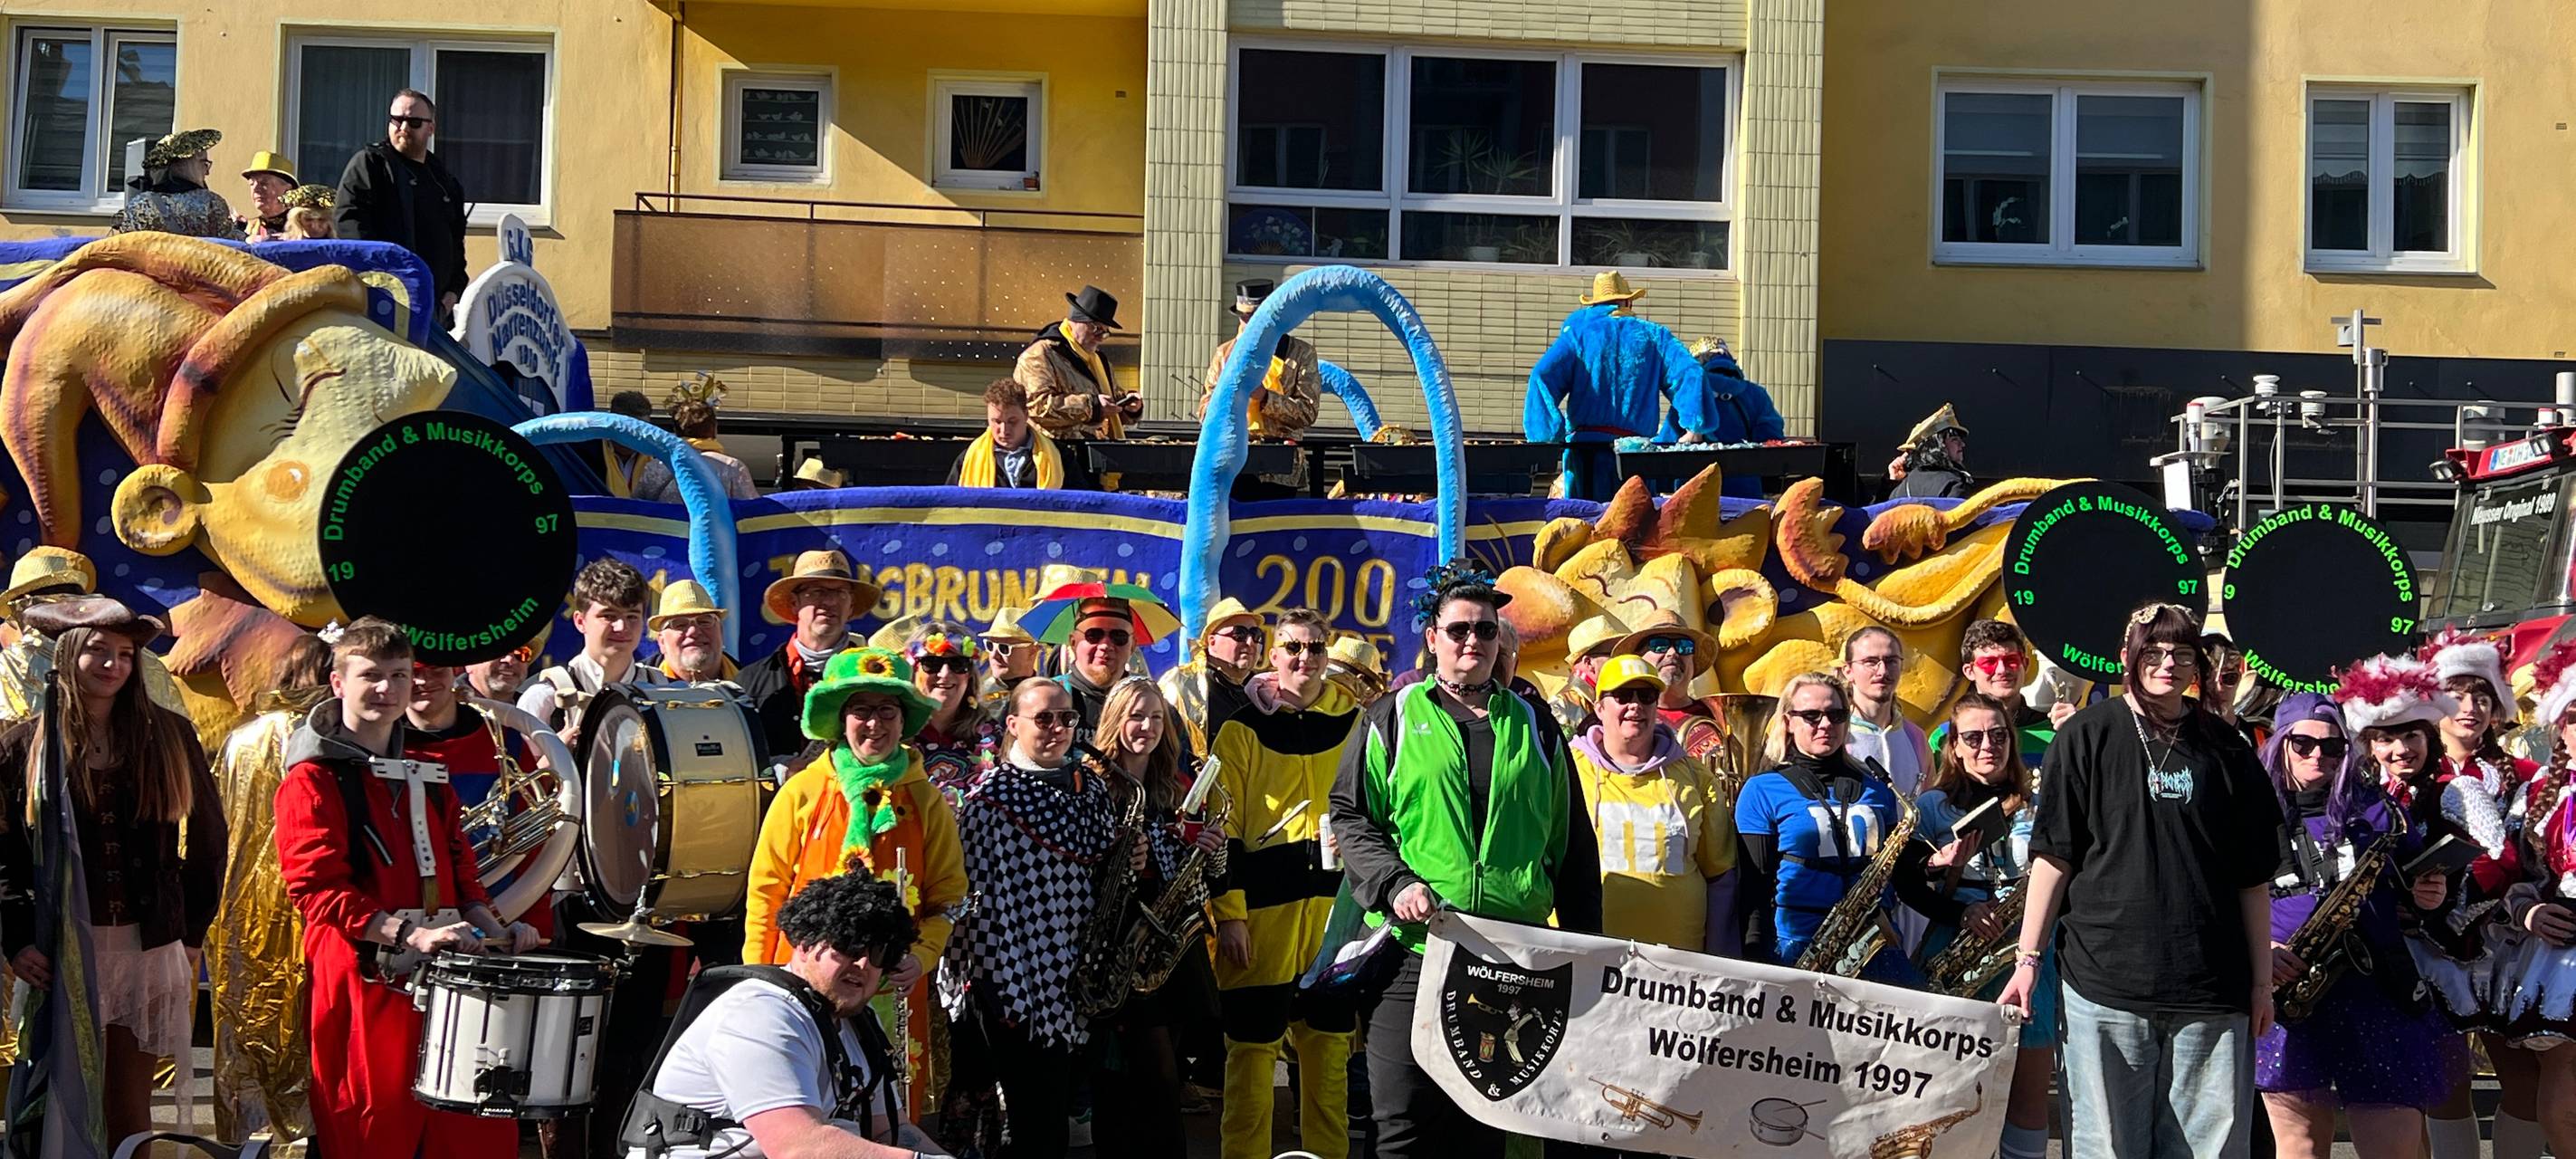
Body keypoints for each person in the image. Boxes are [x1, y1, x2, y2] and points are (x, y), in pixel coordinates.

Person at [1328, 562, 1600, 1159]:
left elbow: (1572, 846)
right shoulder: (1390, 719)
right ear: (1433, 639)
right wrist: (1395, 881)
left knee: (1480, 1128)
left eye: (1485, 630)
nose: (1471, 641)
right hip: (1413, 951)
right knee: (1399, 1127)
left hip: (1509, 957)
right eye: (1457, 630)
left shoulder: (1536, 727)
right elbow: (1350, 816)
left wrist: (1586, 951)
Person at [2001, 602, 2283, 1157]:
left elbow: (2253, 878)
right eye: (2152, 652)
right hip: (2104, 982)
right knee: (2107, 1146)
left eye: (2181, 653)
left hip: (2212, 986)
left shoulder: (2227, 748)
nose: (2167, 664)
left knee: (2211, 1148)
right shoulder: (2084, 736)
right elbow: (2053, 858)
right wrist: (2028, 959)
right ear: (2125, 657)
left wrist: (2260, 984)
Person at [273, 618, 539, 1158]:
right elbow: (315, 887)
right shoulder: (311, 779)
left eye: (398, 675)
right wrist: (405, 935)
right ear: (337, 683)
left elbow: (463, 877)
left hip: (443, 973)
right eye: (371, 675)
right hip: (361, 976)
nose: (387, 690)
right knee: (374, 1129)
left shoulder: (427, 771)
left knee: (471, 1128)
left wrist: (496, 930)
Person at [0, 598, 225, 1146]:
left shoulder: (167, 735)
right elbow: (4, 853)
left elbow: (210, 841)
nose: (113, 665)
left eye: (124, 654)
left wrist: (192, 932)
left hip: (146, 950)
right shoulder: (23, 745)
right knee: (56, 1105)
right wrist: (16, 940)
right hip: (59, 953)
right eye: (98, 651)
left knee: (128, 1108)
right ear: (68, 655)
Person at [742, 647, 967, 1119]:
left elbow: (948, 899)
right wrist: (757, 980)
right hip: (803, 988)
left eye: (887, 711)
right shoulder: (802, 792)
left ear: (904, 720)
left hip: (893, 992)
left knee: (888, 1118)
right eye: (861, 710)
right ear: (840, 720)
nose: (875, 724)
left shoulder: (926, 801)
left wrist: (922, 957)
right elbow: (766, 893)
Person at [2255, 691, 2454, 1159]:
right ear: (2280, 741)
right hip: (2290, 995)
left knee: (2393, 1147)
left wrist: (2430, 893)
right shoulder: (2247, 811)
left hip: (2376, 991)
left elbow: (2419, 876)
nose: (2317, 755)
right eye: (2303, 743)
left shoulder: (2378, 809)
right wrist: (2260, 945)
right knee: (2299, 1146)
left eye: (2333, 746)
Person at [942, 678, 1135, 1159]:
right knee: (1037, 1125)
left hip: (1085, 976)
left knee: (1076, 1115)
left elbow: (1104, 870)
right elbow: (977, 911)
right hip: (1019, 983)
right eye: (1042, 718)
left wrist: (1131, 857)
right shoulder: (989, 801)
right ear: (1013, 725)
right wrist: (1005, 991)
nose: (1056, 729)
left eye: (1066, 719)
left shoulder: (1089, 786)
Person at [624, 872, 940, 1159]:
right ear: (803, 942)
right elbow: (797, 1147)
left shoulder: (857, 1021)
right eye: (848, 945)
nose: (863, 964)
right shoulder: (760, 1013)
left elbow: (889, 1131)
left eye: (878, 953)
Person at [1208, 609, 1360, 1159]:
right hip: (1261, 918)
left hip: (1334, 918)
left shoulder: (1356, 724)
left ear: (1327, 655)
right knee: (1250, 1058)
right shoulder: (1240, 730)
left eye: (1315, 648)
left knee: (1329, 1054)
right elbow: (1220, 830)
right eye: (1293, 647)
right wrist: (1229, 914)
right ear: (1275, 655)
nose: (1304, 658)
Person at [1907, 693, 2055, 1159]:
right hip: (1956, 953)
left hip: (2027, 955)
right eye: (1973, 737)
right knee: (1949, 1093)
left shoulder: (2039, 801)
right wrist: (1953, 897)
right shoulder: (1932, 806)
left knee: (2029, 1095)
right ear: (1955, 746)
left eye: (1997, 735)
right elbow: (1905, 882)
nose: (1987, 745)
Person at [205, 633, 332, 1143]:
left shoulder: (243, 737)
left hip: (238, 909)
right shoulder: (328, 737)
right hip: (311, 902)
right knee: (306, 1032)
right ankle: (303, 1140)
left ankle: (243, 1141)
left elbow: (208, 827)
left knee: (243, 1029)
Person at [1092, 677, 1224, 1159]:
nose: (1145, 727)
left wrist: (1210, 852)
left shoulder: (1174, 781)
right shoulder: (1093, 783)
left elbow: (1209, 880)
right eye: (1135, 716)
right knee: (1151, 1077)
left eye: (1154, 717)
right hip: (1122, 941)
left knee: (1158, 1071)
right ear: (1115, 720)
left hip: (1174, 944)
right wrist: (1119, 860)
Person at [1732, 671, 1926, 981]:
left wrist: (1937, 870)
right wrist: (1754, 958)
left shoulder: (1876, 788)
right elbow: (1753, 888)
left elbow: (1902, 877)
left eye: (1836, 715)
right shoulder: (1761, 790)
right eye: (1811, 715)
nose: (1825, 725)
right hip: (1797, 947)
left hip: (1875, 945)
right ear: (1788, 722)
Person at [1570, 655, 1737, 954]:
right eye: (1622, 695)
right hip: (1586, 959)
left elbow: (1721, 874)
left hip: (1675, 972)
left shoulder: (1695, 776)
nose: (1635, 705)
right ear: (1599, 707)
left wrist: (1722, 960)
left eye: (1646, 696)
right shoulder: (1568, 769)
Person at [1524, 272, 1713, 500]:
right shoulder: (1654, 336)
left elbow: (1541, 375)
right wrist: (1695, 428)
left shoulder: (1577, 335)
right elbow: (1691, 373)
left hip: (1584, 455)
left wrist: (1547, 434)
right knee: (1634, 526)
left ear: (1594, 304)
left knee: (1585, 527)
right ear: (1627, 301)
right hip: (1635, 456)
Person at [2498, 642, 2576, 1155]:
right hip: (2562, 951)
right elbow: (2511, 877)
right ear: (2560, 727)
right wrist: (2529, 911)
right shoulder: (2540, 793)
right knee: (2561, 1098)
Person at [334, 88, 469, 321]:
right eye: (397, 120)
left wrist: (451, 295)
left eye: (414, 122)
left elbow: (456, 245)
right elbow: (350, 228)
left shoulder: (444, 181)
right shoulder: (371, 165)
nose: (404, 128)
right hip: (384, 306)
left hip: (435, 314)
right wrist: (380, 287)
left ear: (431, 128)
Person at [739, 550, 880, 758]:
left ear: (850, 606)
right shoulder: (749, 682)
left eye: (841, 593)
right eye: (817, 592)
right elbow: (736, 758)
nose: (830, 602)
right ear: (795, 603)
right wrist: (780, 769)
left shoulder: (876, 676)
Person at [518, 557, 659, 741]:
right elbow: (519, 769)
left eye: (632, 616)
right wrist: (556, 756)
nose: (621, 627)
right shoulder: (544, 697)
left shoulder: (660, 688)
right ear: (580, 621)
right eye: (608, 616)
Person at [1931, 619, 2070, 769]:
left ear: (2025, 665)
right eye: (1989, 663)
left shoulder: (2057, 732)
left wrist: (2082, 734)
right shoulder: (1945, 737)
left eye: (2011, 661)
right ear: (1969, 671)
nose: (2002, 670)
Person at [1200, 279, 1322, 441]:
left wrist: (1265, 397)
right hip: (1232, 450)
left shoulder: (1300, 353)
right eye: (1242, 316)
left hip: (1280, 452)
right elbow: (1203, 412)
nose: (1247, 323)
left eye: (1254, 317)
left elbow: (1308, 413)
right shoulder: (1225, 353)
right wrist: (1226, 399)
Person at [1016, 286, 1136, 441]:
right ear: (1075, 320)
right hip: (1053, 452)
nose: (1100, 337)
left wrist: (1128, 406)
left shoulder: (1098, 359)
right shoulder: (1040, 355)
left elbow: (1110, 402)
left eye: (1105, 332)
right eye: (1096, 328)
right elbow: (1036, 407)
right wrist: (1091, 406)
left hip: (1093, 452)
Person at [1611, 611, 1722, 761]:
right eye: (1659, 645)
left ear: (1693, 661)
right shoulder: (1624, 716)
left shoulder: (1716, 716)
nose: (1673, 653)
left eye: (1684, 646)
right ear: (1639, 659)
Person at [1159, 597, 1262, 755]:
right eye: (1239, 634)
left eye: (1255, 635)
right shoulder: (1180, 682)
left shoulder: (1262, 689)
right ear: (1212, 641)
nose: (1250, 642)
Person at [949, 378, 1091, 490]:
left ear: (1026, 415)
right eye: (996, 422)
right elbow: (950, 505)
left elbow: (1079, 504)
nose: (1004, 431)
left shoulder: (1061, 456)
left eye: (1012, 421)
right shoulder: (968, 459)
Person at [1839, 626, 1932, 797]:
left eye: (1891, 661)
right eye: (1871, 662)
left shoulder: (1916, 737)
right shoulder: (1836, 735)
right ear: (1848, 671)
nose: (1882, 671)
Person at [112, 128, 243, 239]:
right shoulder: (210, 203)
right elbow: (232, 248)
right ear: (183, 165)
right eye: (204, 163)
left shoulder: (139, 205)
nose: (207, 172)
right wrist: (241, 228)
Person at [636, 387, 761, 503]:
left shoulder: (655, 468)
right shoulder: (732, 467)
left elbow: (638, 507)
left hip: (665, 525)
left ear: (676, 430)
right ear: (714, 429)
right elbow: (751, 509)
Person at [1548, 613, 1629, 733]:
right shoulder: (1560, 707)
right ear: (1588, 663)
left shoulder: (1615, 697)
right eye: (1614, 654)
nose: (1621, 661)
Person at [650, 580, 736, 683]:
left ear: (721, 632)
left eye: (704, 621)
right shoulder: (638, 690)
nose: (694, 631)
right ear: (662, 642)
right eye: (680, 624)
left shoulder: (753, 686)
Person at [1888, 404, 1972, 500]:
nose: (1962, 444)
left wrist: (1893, 483)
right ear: (1937, 445)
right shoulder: (1953, 484)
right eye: (1954, 439)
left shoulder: (1901, 489)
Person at [978, 608, 1041, 713]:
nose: (994, 655)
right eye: (990, 646)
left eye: (1004, 648)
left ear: (1032, 651)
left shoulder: (1046, 695)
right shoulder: (976, 697)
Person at [238, 150, 296, 241]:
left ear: (287, 190)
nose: (256, 188)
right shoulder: (249, 228)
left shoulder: (302, 227)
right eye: (251, 183)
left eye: (264, 183)